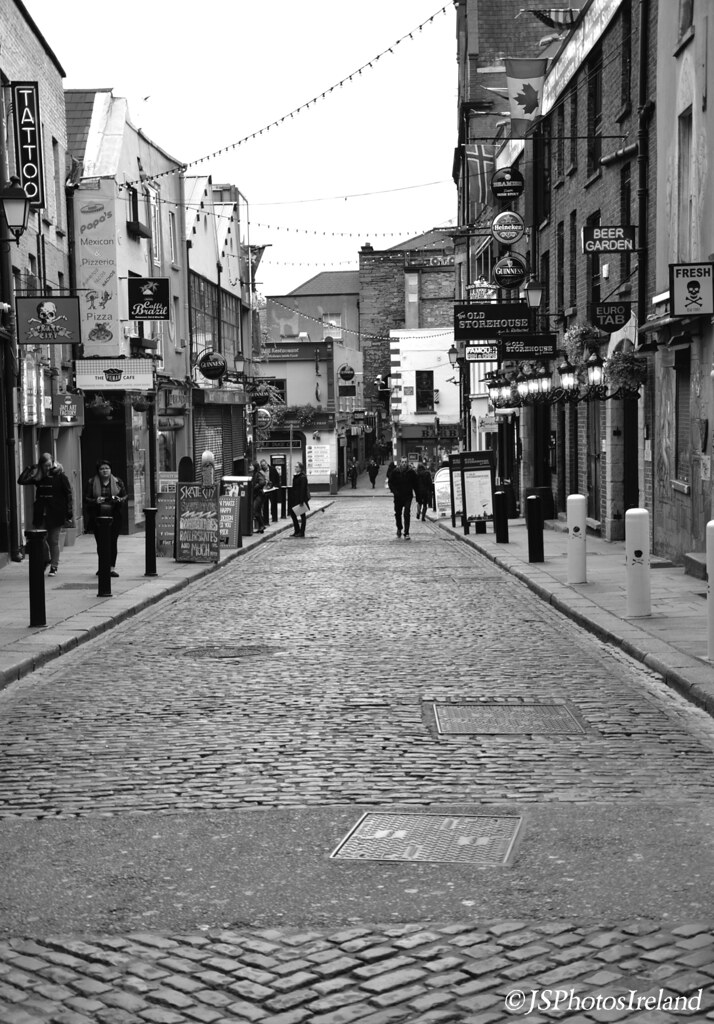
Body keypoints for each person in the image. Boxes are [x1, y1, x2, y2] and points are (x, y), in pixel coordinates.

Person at [18, 452, 73, 576]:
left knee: (53, 540)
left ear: (53, 463)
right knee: (40, 540)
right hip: (41, 511)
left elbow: (68, 494)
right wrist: (30, 468)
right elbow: (21, 481)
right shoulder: (39, 476)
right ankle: (46, 559)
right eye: (45, 466)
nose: (48, 468)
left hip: (56, 511)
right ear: (41, 465)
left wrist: (69, 512)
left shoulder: (60, 476)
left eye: (49, 465)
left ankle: (54, 566)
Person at [84, 459, 127, 577]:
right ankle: (102, 566)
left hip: (114, 516)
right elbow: (86, 499)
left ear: (110, 470)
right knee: (101, 543)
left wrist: (119, 500)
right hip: (98, 516)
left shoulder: (118, 481)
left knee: (112, 542)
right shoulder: (92, 482)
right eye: (102, 469)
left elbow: (124, 496)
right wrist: (95, 501)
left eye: (107, 468)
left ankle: (111, 567)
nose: (105, 471)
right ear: (98, 471)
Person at [388, 456, 418, 539]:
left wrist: (418, 495)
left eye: (405, 462)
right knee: (398, 513)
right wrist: (394, 491)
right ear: (400, 463)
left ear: (407, 463)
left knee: (407, 513)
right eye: (402, 462)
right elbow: (390, 483)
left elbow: (416, 484)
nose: (404, 463)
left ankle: (406, 532)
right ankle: (399, 528)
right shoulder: (395, 472)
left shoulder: (411, 472)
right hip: (398, 497)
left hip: (408, 496)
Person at [288, 461, 310, 537]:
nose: (295, 468)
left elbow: (302, 489)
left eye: (297, 467)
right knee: (293, 514)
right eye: (295, 467)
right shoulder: (296, 476)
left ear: (300, 468)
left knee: (302, 515)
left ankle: (301, 532)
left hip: (300, 499)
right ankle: (297, 530)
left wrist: (301, 501)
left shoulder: (303, 477)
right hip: (294, 498)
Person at [261, 458, 281, 524]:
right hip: (265, 489)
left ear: (266, 464)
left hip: (272, 489)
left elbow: (277, 478)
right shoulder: (261, 471)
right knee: (265, 504)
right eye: (262, 465)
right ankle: (265, 519)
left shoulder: (272, 469)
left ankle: (274, 518)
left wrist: (276, 485)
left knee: (273, 504)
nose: (263, 466)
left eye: (264, 465)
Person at [250, 460, 266, 533]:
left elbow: (262, 482)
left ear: (254, 466)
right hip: (256, 495)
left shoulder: (258, 473)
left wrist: (254, 487)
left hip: (258, 495)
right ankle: (261, 527)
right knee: (258, 511)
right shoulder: (254, 474)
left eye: (251, 465)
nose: (249, 467)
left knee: (255, 511)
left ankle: (262, 525)